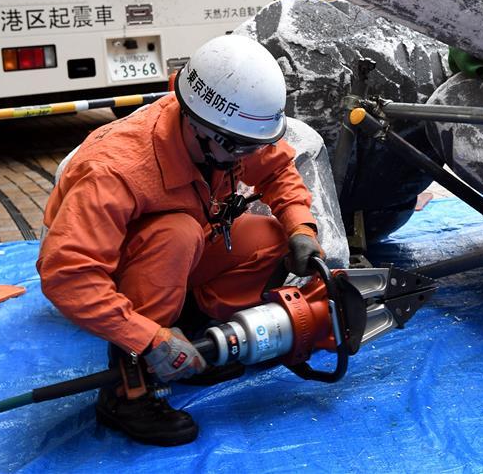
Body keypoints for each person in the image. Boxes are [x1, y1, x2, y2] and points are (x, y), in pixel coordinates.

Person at [37, 34, 323, 446]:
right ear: (198, 127)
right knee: (177, 233)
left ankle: (195, 337)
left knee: (267, 237)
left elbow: (276, 170)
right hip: (111, 272)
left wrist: (300, 228)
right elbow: (69, 276)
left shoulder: (227, 133)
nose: (247, 158)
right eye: (240, 148)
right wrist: (148, 339)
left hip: (178, 254)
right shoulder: (114, 171)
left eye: (254, 146)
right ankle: (128, 392)